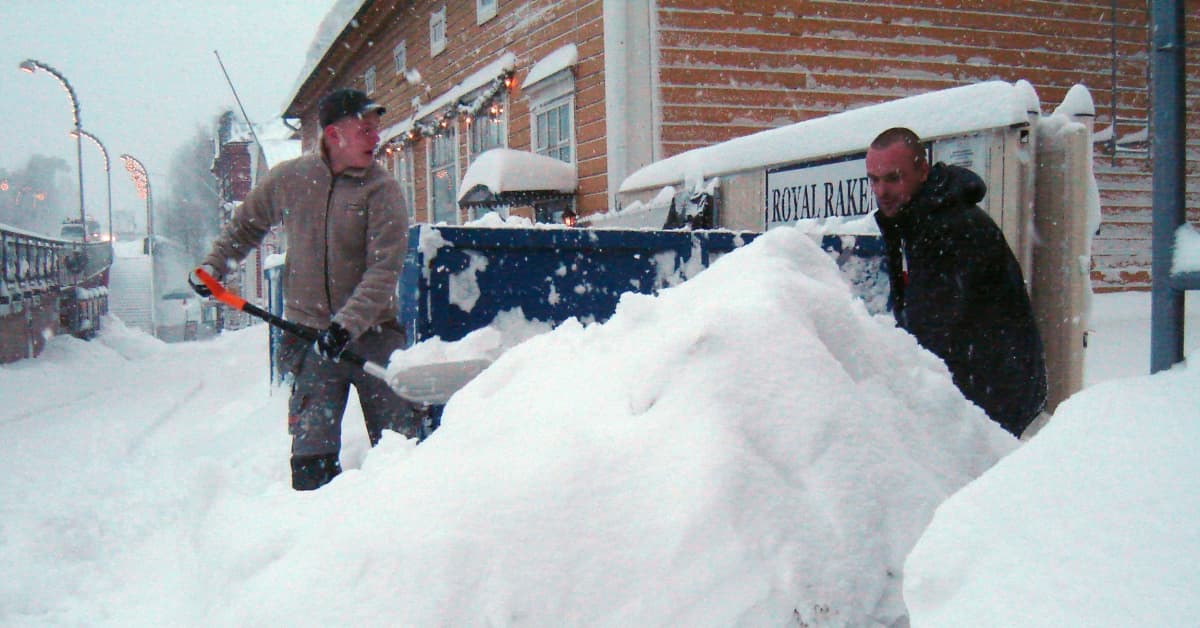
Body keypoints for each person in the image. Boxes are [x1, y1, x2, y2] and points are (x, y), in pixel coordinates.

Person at [189, 88, 419, 490]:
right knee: (311, 463)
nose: (375, 138)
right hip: (311, 339)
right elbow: (245, 227)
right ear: (333, 134)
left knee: (402, 453)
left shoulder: (381, 190)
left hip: (374, 337)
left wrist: (346, 326)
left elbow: (384, 270)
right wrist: (214, 267)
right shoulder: (290, 180)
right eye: (364, 129)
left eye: (375, 129)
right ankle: (319, 539)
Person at [866, 127, 1047, 437]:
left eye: (893, 178)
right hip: (982, 398)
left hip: (995, 408)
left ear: (922, 171)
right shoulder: (918, 220)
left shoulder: (950, 229)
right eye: (874, 179)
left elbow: (930, 332)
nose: (881, 191)